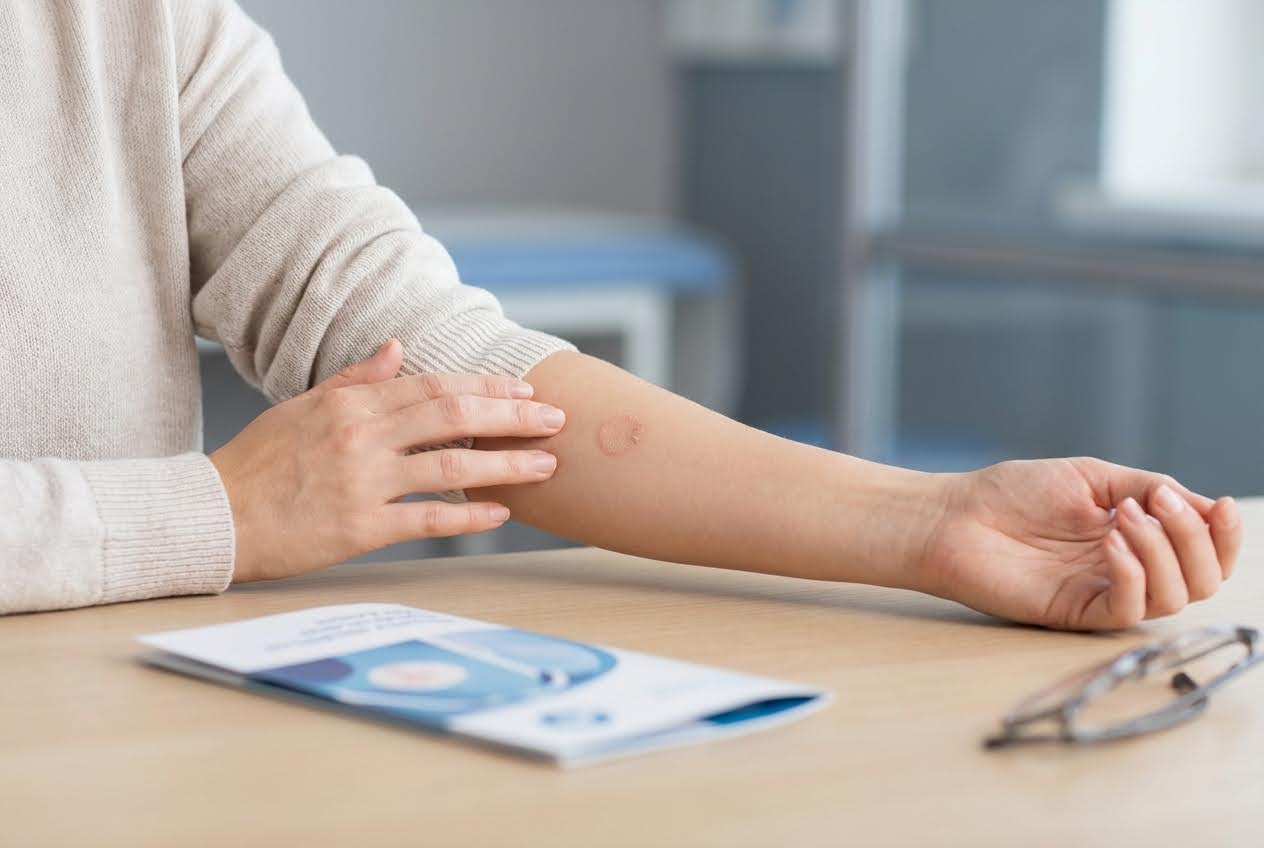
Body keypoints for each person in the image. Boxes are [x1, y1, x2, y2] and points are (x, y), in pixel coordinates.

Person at [0, 0, 1242, 630]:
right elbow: (233, 509)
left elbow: (442, 359)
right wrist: (217, 512)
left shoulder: (143, 24)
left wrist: (934, 523)